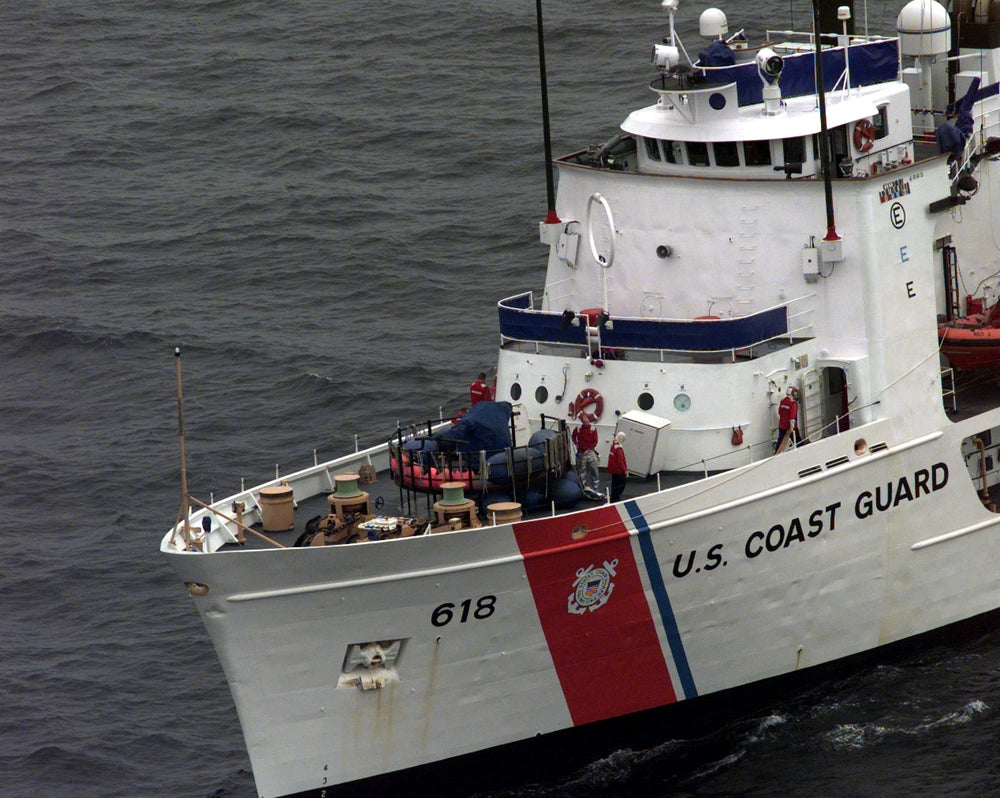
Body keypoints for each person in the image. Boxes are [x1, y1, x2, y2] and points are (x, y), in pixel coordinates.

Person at [571, 417, 601, 498]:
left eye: (587, 422)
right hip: (581, 453)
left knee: (594, 470)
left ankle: (595, 489)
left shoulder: (593, 429)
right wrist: (576, 444)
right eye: (585, 422)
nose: (586, 424)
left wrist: (589, 449)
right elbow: (573, 436)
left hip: (590, 452)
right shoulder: (578, 428)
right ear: (582, 422)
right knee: (581, 472)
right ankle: (583, 489)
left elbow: (595, 441)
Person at [775, 387, 799, 453]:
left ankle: (776, 453)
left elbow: (779, 412)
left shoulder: (783, 401)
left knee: (780, 443)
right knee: (798, 442)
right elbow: (792, 417)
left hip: (782, 426)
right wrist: (792, 428)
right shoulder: (793, 403)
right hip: (790, 427)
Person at [607, 431, 628, 502]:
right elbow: (620, 461)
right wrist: (624, 470)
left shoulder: (613, 446)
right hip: (619, 471)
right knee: (621, 485)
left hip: (614, 470)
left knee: (614, 485)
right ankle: (615, 499)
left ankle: (613, 498)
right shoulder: (618, 448)